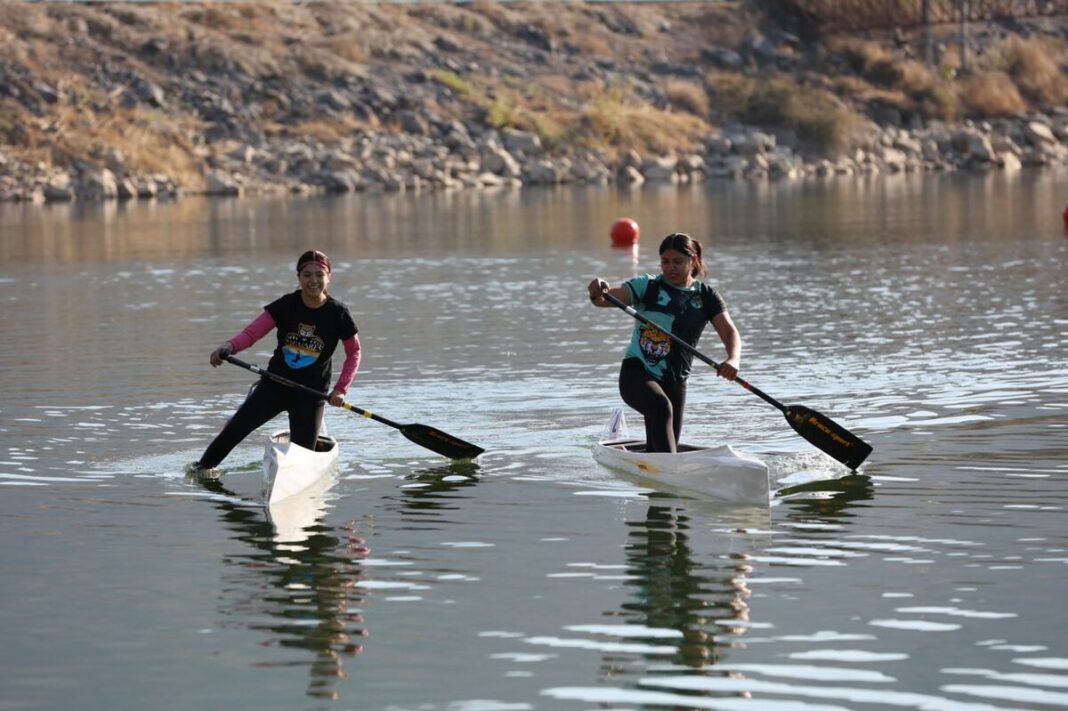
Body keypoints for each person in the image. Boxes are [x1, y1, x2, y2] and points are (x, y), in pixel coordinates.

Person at [192, 249, 361, 471]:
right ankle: (201, 470)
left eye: (319, 275)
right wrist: (229, 345)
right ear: (298, 278)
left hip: (310, 395)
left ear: (329, 277)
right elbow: (252, 333)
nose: (313, 280)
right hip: (274, 385)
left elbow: (354, 353)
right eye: (307, 275)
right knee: (233, 431)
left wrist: (340, 390)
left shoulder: (338, 313)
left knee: (304, 460)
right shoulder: (285, 305)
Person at [587, 232, 741, 453]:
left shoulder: (707, 297)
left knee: (662, 445)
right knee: (661, 408)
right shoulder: (647, 286)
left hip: (675, 382)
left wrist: (733, 360)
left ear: (694, 260)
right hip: (637, 374)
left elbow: (729, 333)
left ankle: (655, 467)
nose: (670, 268)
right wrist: (596, 292)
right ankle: (671, 472)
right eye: (665, 262)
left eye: (678, 262)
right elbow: (604, 299)